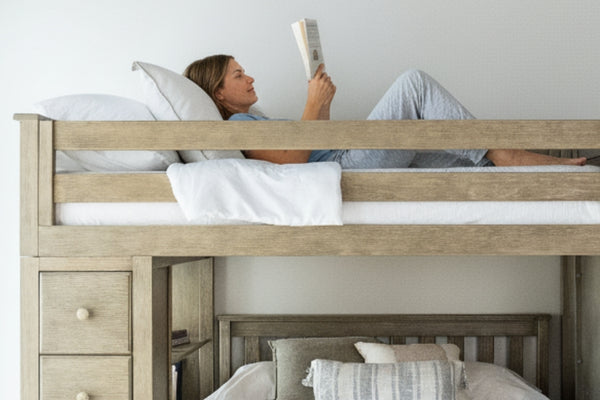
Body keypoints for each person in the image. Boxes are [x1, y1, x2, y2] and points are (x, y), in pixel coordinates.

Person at [183, 55, 586, 167]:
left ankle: (546, 166)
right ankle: (502, 152)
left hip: (344, 154)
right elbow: (292, 157)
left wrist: (321, 103)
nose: (250, 78)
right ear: (219, 92)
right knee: (413, 82)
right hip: (351, 164)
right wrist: (311, 104)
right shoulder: (238, 124)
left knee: (456, 160)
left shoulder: (256, 118)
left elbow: (309, 146)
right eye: (238, 75)